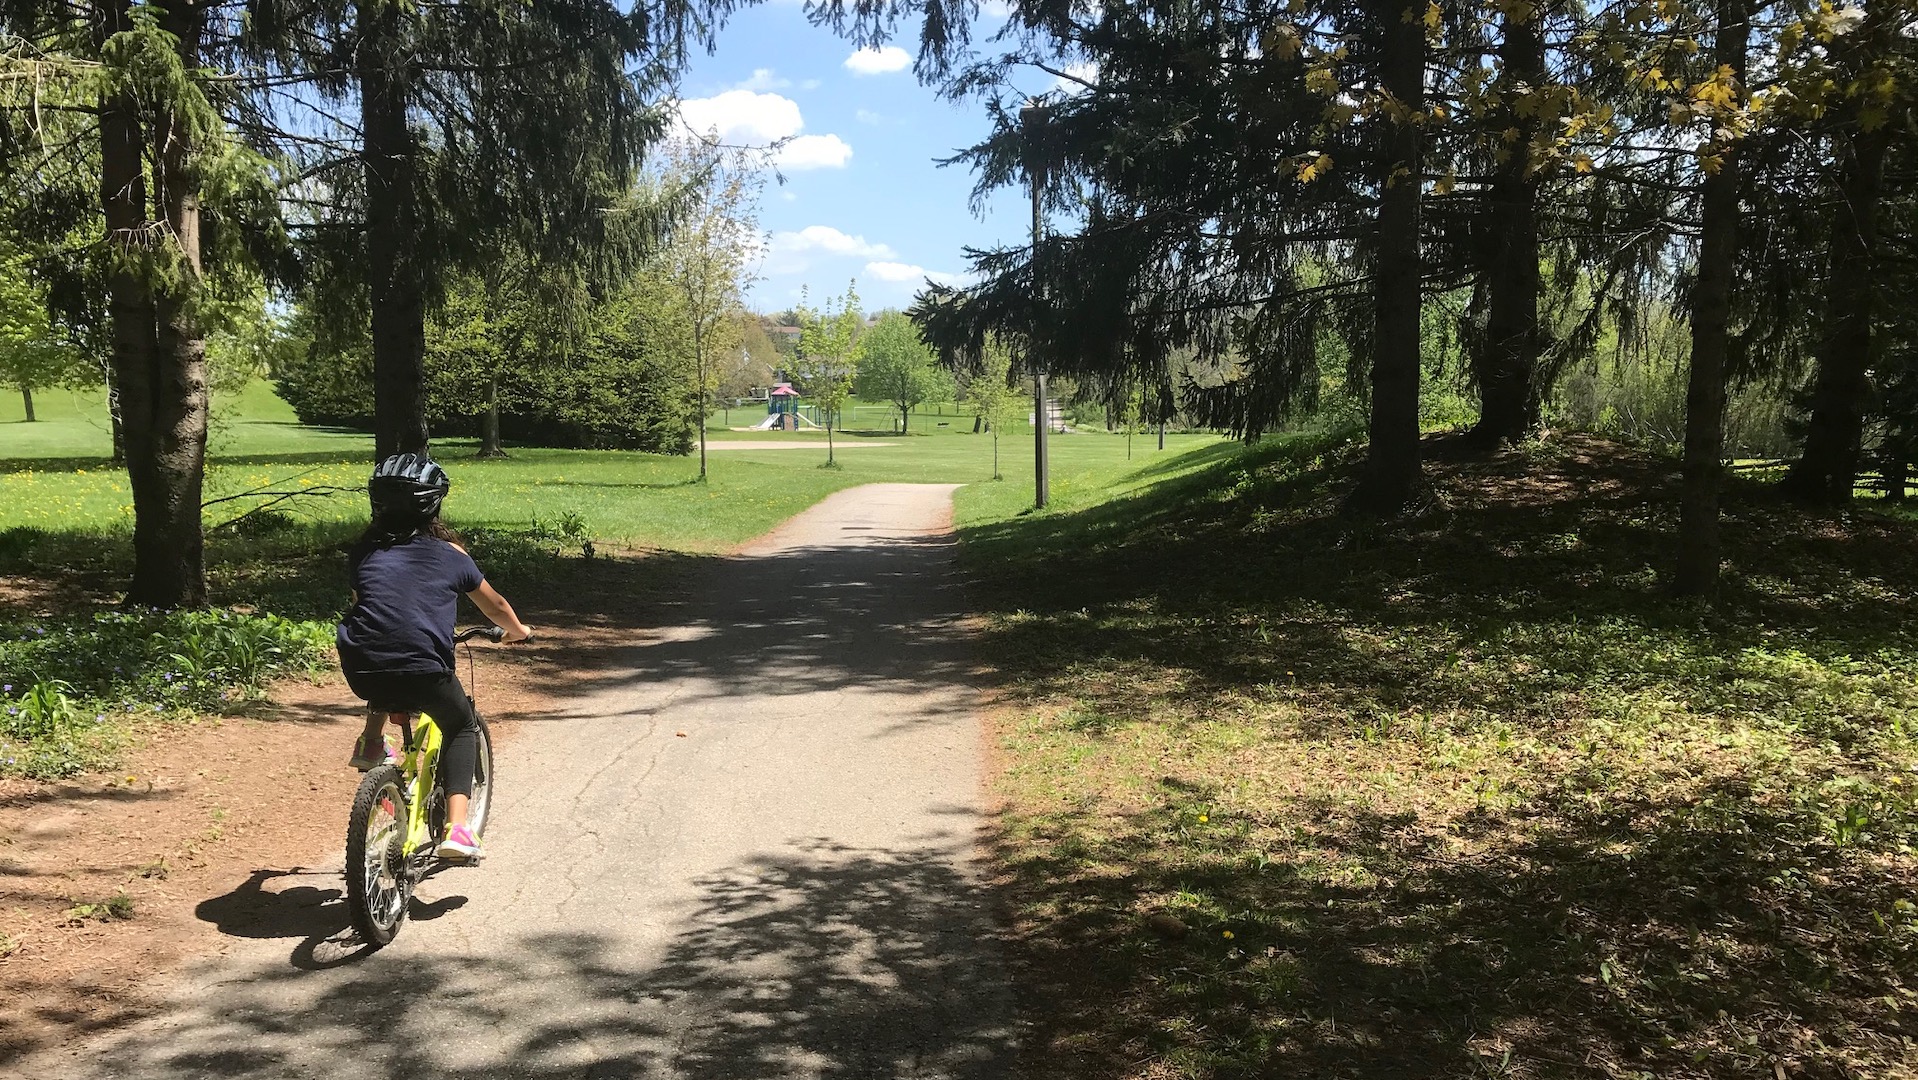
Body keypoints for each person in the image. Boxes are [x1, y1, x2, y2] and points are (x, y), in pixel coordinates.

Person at [337, 453, 532, 859]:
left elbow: (372, 608)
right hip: (424, 669)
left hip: (361, 667)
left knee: (384, 663)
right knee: (461, 726)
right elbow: (493, 605)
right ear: (433, 504)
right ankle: (458, 829)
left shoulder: (363, 552)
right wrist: (518, 632)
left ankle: (371, 744)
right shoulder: (451, 555)